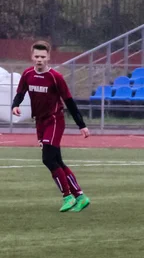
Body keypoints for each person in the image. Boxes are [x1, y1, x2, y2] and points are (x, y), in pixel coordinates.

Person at [12, 40, 91, 212]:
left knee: (47, 159)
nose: (39, 59)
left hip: (54, 121)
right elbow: (20, 93)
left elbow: (69, 102)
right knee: (57, 161)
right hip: (39, 122)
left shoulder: (56, 78)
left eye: (42, 56)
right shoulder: (27, 74)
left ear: (48, 57)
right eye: (36, 56)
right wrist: (15, 105)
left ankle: (67, 197)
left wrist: (81, 125)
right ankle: (80, 196)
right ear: (32, 57)